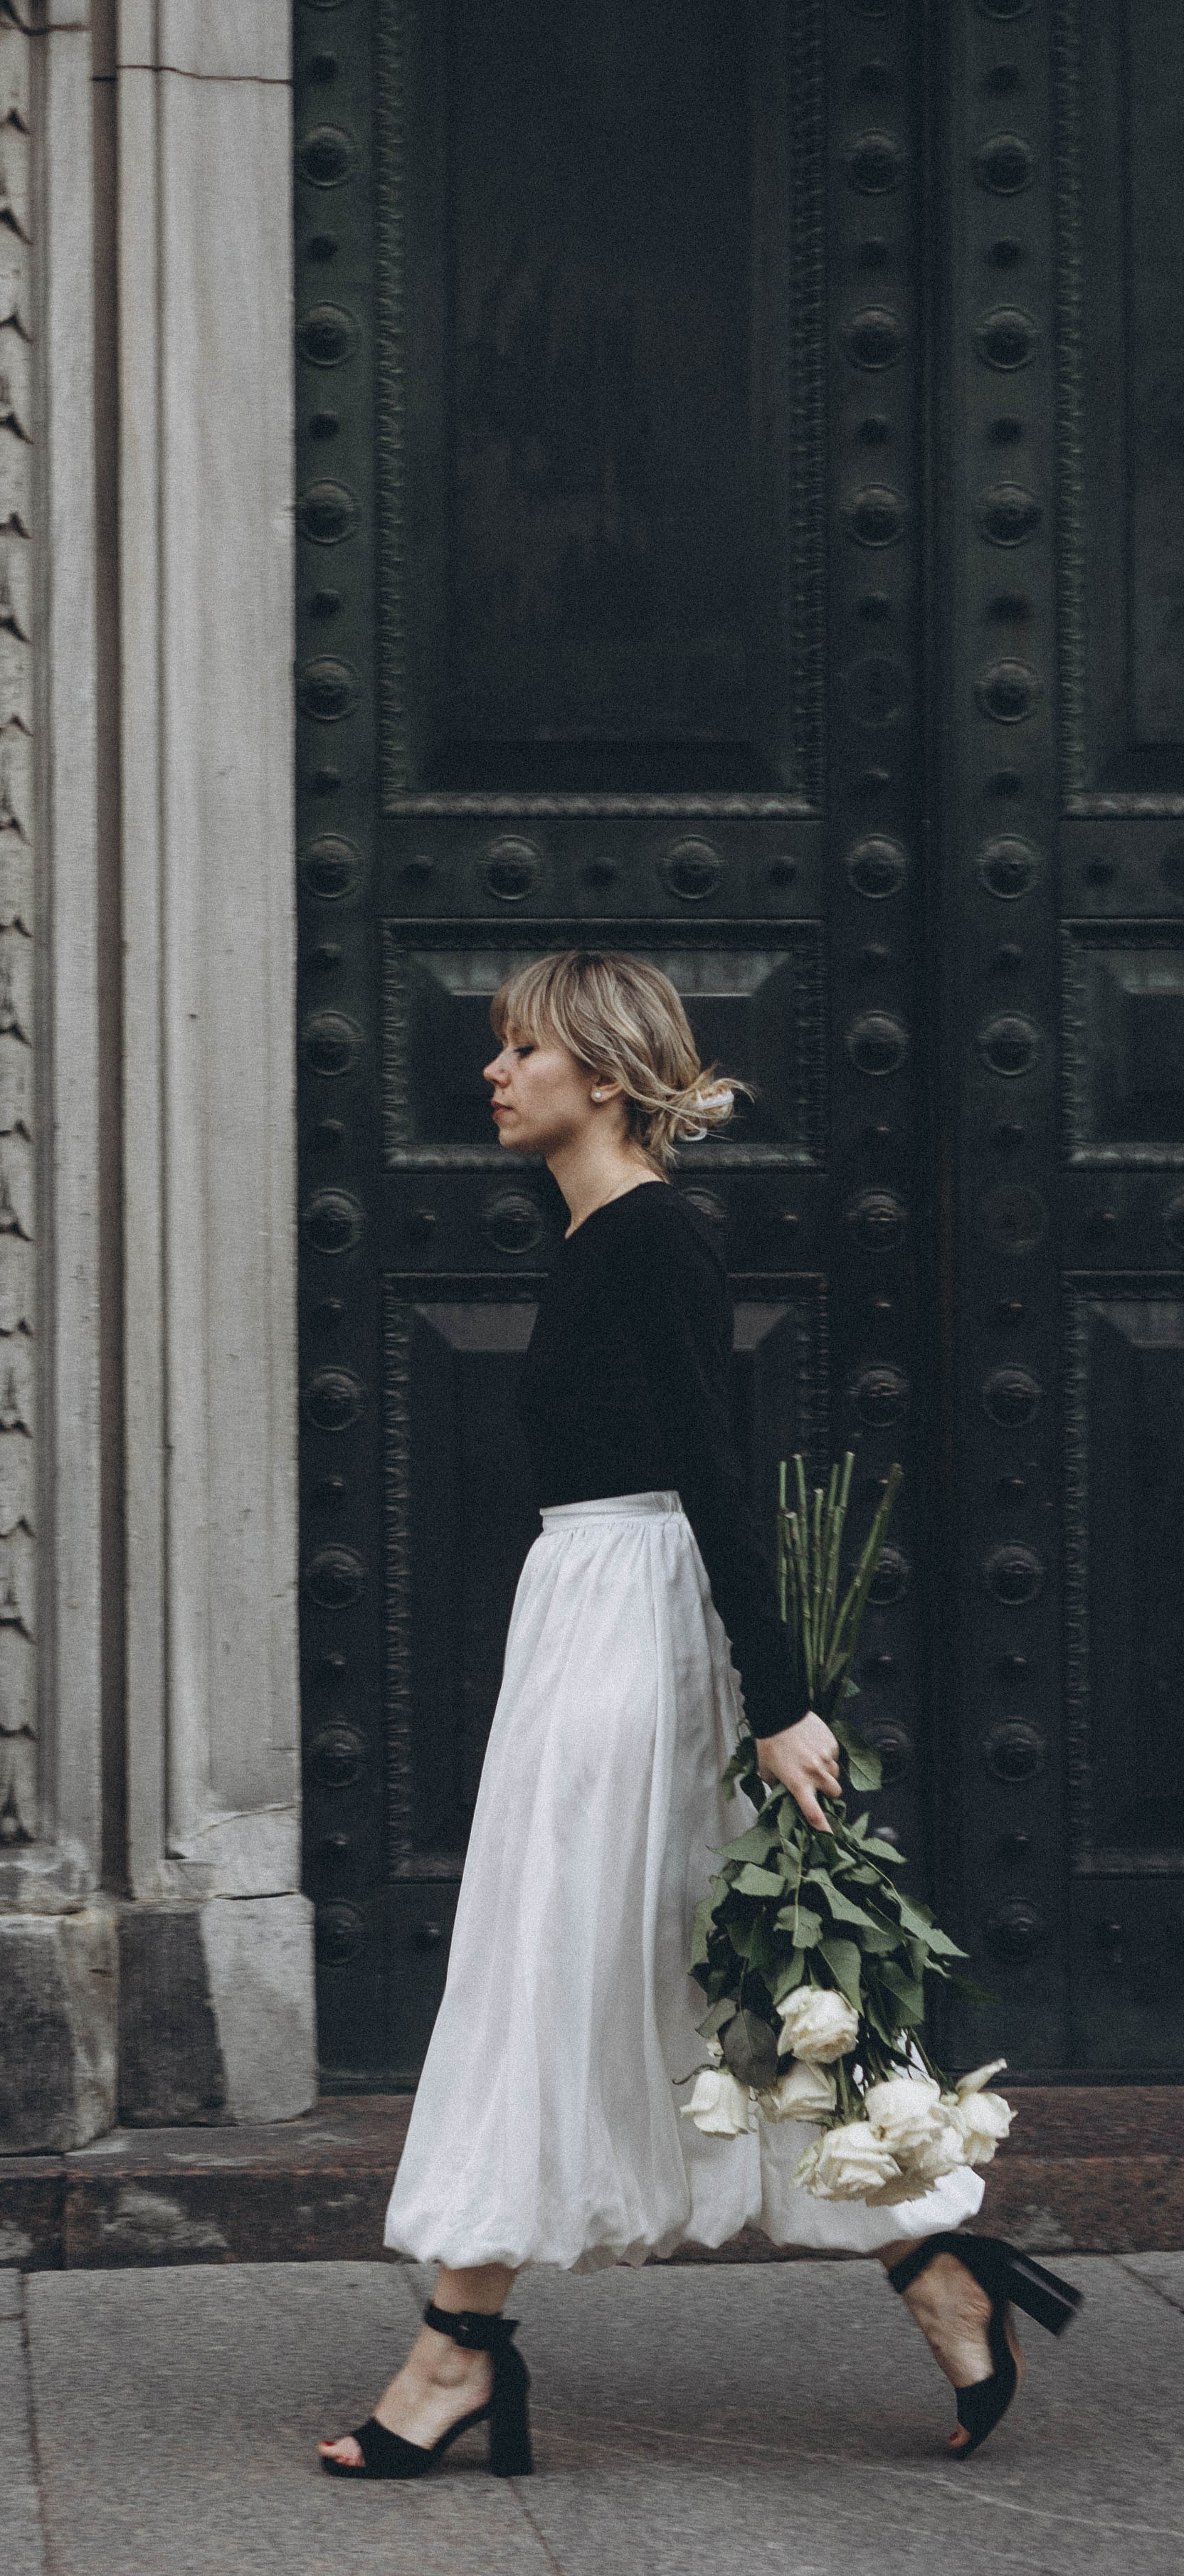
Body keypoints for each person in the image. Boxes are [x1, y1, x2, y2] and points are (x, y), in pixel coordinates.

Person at [319, 949, 1075, 2483]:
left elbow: (716, 1481)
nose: (493, 1072)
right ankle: (930, 2266)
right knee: (667, 1960)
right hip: (591, 1606)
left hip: (632, 1619)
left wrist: (779, 1701)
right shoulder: (598, 1235)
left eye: (520, 1048)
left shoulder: (648, 1241)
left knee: (561, 1952)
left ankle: (455, 2354)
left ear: (599, 1075)